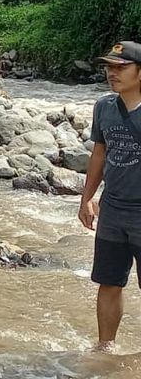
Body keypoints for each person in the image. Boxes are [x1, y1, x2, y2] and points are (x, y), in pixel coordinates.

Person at [80, 40, 141, 352]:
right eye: (109, 67)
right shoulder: (104, 107)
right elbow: (99, 155)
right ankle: (106, 346)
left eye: (121, 67)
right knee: (108, 281)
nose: (112, 73)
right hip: (112, 210)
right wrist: (86, 198)